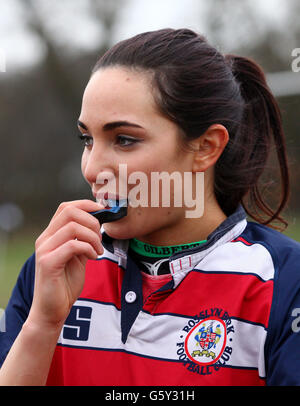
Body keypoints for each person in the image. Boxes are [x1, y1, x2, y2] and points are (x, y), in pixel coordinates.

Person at [0, 27, 299, 386]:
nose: (93, 169)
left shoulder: (285, 283)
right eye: (87, 139)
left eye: (124, 140)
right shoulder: (53, 268)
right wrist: (43, 325)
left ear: (206, 147)